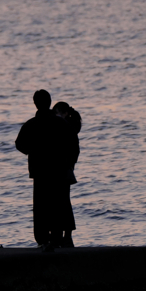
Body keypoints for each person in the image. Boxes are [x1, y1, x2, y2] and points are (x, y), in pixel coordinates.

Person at [15, 90, 78, 249]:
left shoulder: (31, 124)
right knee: (58, 204)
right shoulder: (61, 123)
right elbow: (73, 145)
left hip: (40, 172)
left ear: (35, 104)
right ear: (50, 102)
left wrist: (33, 151)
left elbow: (20, 144)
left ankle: (43, 239)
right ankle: (57, 238)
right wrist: (69, 164)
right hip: (59, 171)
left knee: (41, 207)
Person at [52, 101, 81, 247]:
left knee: (61, 203)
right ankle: (66, 236)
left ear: (63, 114)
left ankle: (65, 236)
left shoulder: (66, 129)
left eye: (57, 113)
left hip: (61, 170)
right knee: (64, 203)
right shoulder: (71, 129)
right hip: (66, 170)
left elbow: (72, 151)